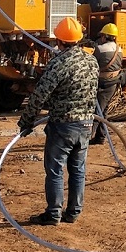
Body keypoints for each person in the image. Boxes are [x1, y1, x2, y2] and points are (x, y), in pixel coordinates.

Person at [17, 15, 99, 227]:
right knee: (78, 169)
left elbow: (40, 95)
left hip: (63, 125)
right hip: (86, 124)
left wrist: (26, 121)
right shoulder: (91, 60)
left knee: (55, 169)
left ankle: (53, 214)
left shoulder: (59, 63)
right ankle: (73, 212)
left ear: (59, 40)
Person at [92, 23, 123, 143]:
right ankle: (100, 137)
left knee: (96, 111)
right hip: (113, 84)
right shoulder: (119, 49)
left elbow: (93, 65)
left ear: (104, 36)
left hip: (101, 83)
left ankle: (86, 138)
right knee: (103, 110)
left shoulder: (99, 50)